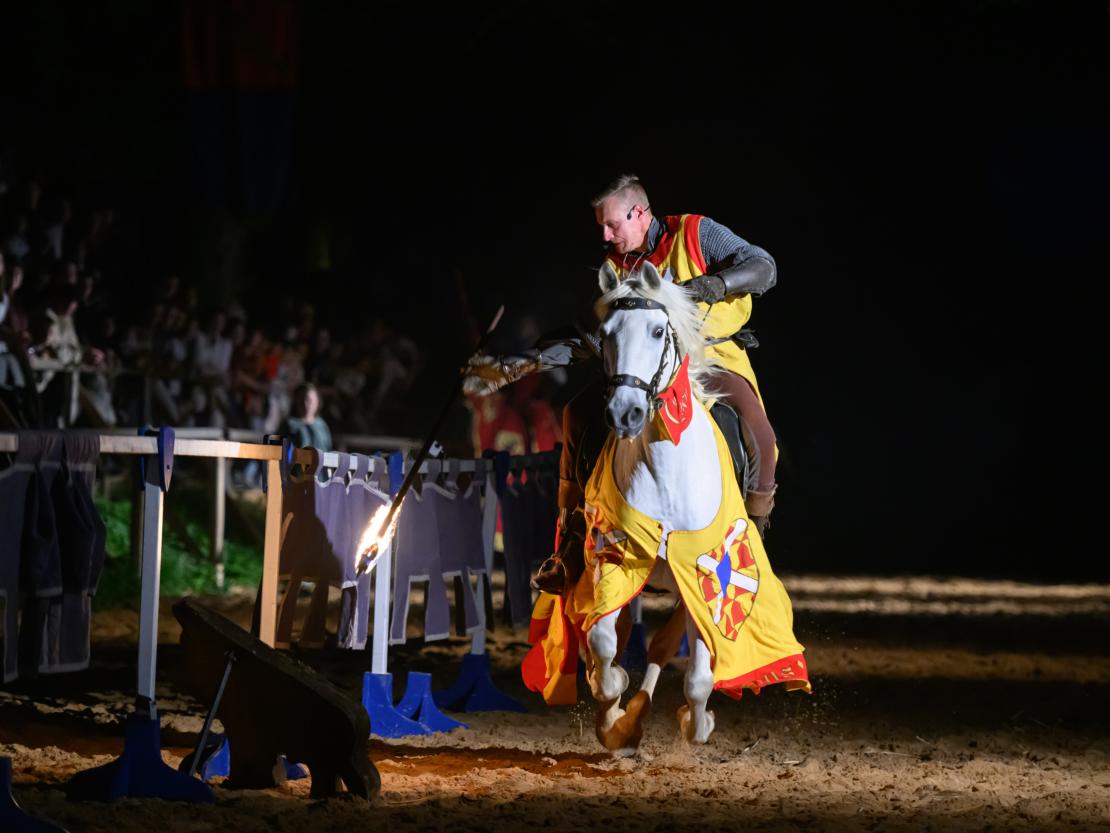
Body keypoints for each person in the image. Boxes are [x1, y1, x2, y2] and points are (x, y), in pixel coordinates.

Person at [465, 174, 779, 593]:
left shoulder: (696, 233)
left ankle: (753, 541)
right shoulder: (617, 267)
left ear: (640, 213)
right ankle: (571, 542)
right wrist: (517, 366)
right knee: (576, 413)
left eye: (612, 225)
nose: (606, 235)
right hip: (644, 370)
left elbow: (764, 266)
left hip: (710, 357)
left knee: (760, 434)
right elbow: (596, 340)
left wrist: (713, 284)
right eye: (602, 227)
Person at [281, 382, 334, 451]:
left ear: (317, 401)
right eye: (301, 400)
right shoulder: (289, 424)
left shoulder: (321, 425)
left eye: (310, 400)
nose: (305, 404)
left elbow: (328, 449)